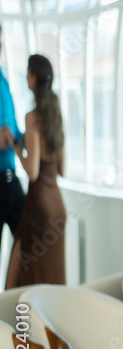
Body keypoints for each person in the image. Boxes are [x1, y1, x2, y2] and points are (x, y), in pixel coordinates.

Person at [2, 54, 66, 288]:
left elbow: (32, 172)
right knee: (51, 276)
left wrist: (15, 144)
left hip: (38, 206)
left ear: (32, 78)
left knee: (17, 274)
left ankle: (15, 322)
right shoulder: (56, 117)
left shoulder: (32, 118)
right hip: (58, 208)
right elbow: (63, 170)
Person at [0, 22, 26, 269]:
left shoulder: (4, 81)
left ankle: (17, 301)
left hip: (10, 179)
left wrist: (26, 137)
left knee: (28, 237)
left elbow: (13, 127)